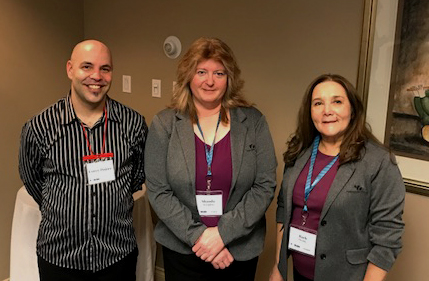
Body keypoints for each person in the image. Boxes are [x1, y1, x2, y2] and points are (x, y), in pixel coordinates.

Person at [145, 37, 277, 281]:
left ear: (229, 78)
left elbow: (264, 185)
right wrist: (199, 237)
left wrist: (222, 235)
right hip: (183, 251)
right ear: (188, 76)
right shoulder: (164, 124)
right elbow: (158, 190)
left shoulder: (253, 122)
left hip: (238, 250)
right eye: (201, 71)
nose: (209, 81)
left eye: (219, 73)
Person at [19, 40, 148, 281]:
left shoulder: (133, 124)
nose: (96, 76)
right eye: (86, 67)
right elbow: (33, 180)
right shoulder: (39, 127)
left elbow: (136, 177)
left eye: (105, 69)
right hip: (60, 257)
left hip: (117, 255)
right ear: (70, 69)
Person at [269, 74, 405, 281]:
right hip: (299, 274)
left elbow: (388, 235)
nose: (327, 111)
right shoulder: (298, 153)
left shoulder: (378, 162)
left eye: (337, 101)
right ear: (310, 111)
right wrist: (278, 268)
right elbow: (283, 210)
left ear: (353, 110)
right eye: (318, 103)